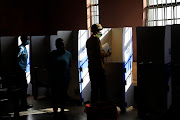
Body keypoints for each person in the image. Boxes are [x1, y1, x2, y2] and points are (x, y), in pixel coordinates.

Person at [86, 24, 111, 103]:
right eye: (100, 31)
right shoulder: (96, 40)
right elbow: (100, 53)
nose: (100, 32)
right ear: (96, 31)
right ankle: (102, 106)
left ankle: (94, 106)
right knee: (102, 88)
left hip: (92, 67)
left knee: (94, 88)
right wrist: (108, 53)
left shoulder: (89, 40)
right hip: (98, 68)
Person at [48, 38, 72, 115]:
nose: (61, 46)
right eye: (59, 44)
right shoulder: (51, 54)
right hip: (55, 79)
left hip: (65, 78)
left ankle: (62, 109)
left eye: (62, 44)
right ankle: (55, 110)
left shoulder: (68, 54)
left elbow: (69, 66)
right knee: (55, 95)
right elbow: (48, 67)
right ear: (56, 45)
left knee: (63, 95)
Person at [16, 35, 32, 110]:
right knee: (23, 87)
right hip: (20, 70)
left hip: (22, 70)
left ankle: (24, 103)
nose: (28, 41)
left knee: (24, 87)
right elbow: (16, 57)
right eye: (28, 39)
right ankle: (23, 104)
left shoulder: (24, 48)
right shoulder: (21, 48)